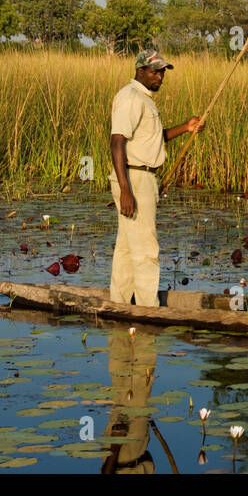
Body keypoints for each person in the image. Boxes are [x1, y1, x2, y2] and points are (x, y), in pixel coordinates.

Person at [107, 49, 203, 307]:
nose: (160, 76)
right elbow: (117, 142)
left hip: (142, 178)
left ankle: (119, 303)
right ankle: (149, 308)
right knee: (147, 249)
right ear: (140, 71)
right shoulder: (131, 98)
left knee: (127, 248)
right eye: (155, 71)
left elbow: (152, 139)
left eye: (162, 72)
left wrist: (185, 127)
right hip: (134, 179)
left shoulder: (144, 98)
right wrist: (126, 190)